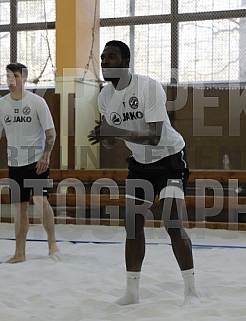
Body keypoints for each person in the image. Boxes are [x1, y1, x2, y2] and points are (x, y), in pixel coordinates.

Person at [88, 40, 198, 305]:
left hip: (169, 158)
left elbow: (155, 136)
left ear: (126, 62)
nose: (105, 62)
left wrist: (114, 132)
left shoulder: (148, 87)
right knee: (133, 226)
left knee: (172, 222)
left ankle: (191, 291)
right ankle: (132, 293)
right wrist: (103, 136)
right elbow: (113, 141)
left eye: (111, 57)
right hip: (140, 165)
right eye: (102, 58)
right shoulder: (104, 96)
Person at [0, 62, 59, 263]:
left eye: (15, 76)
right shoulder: (1, 104)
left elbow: (51, 133)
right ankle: (19, 252)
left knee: (40, 201)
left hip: (37, 162)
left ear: (24, 79)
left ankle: (52, 243)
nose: (11, 80)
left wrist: (46, 156)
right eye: (8, 76)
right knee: (19, 207)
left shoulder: (37, 102)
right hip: (15, 163)